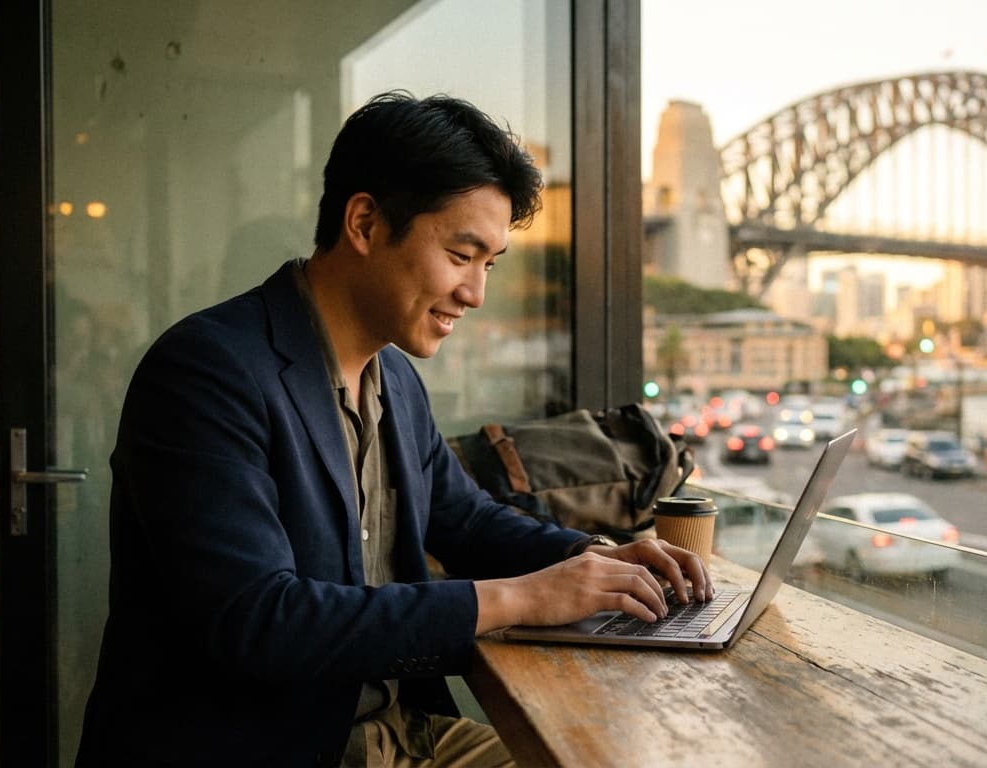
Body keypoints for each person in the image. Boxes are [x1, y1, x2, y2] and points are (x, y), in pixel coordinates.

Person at [75, 92, 713, 768]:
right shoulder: (208, 371)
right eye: (462, 255)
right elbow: (256, 620)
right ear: (365, 223)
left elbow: (466, 521)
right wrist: (522, 597)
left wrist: (596, 558)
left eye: (489, 263)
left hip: (400, 734)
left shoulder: (394, 379)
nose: (476, 293)